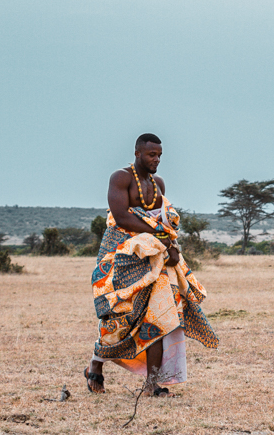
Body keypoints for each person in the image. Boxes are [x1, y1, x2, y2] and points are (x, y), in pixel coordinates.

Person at [83, 133, 219, 396]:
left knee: (160, 315)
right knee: (120, 318)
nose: (156, 160)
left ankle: (151, 383)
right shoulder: (120, 178)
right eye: (151, 155)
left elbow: (163, 222)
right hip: (120, 257)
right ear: (137, 154)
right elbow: (122, 217)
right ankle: (95, 366)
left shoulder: (158, 184)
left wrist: (169, 246)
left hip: (155, 259)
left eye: (159, 155)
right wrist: (160, 239)